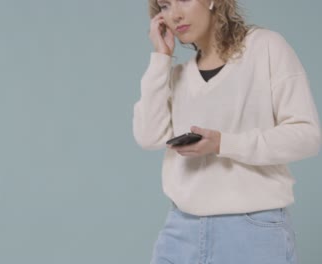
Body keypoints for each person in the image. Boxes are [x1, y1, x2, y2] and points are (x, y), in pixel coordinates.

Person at [132, 0, 321, 263]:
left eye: (184, 0)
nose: (174, 14)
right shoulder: (177, 76)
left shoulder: (265, 47)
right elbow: (148, 135)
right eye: (164, 5)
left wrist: (224, 144)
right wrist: (161, 58)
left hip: (253, 231)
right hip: (181, 230)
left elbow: (308, 135)